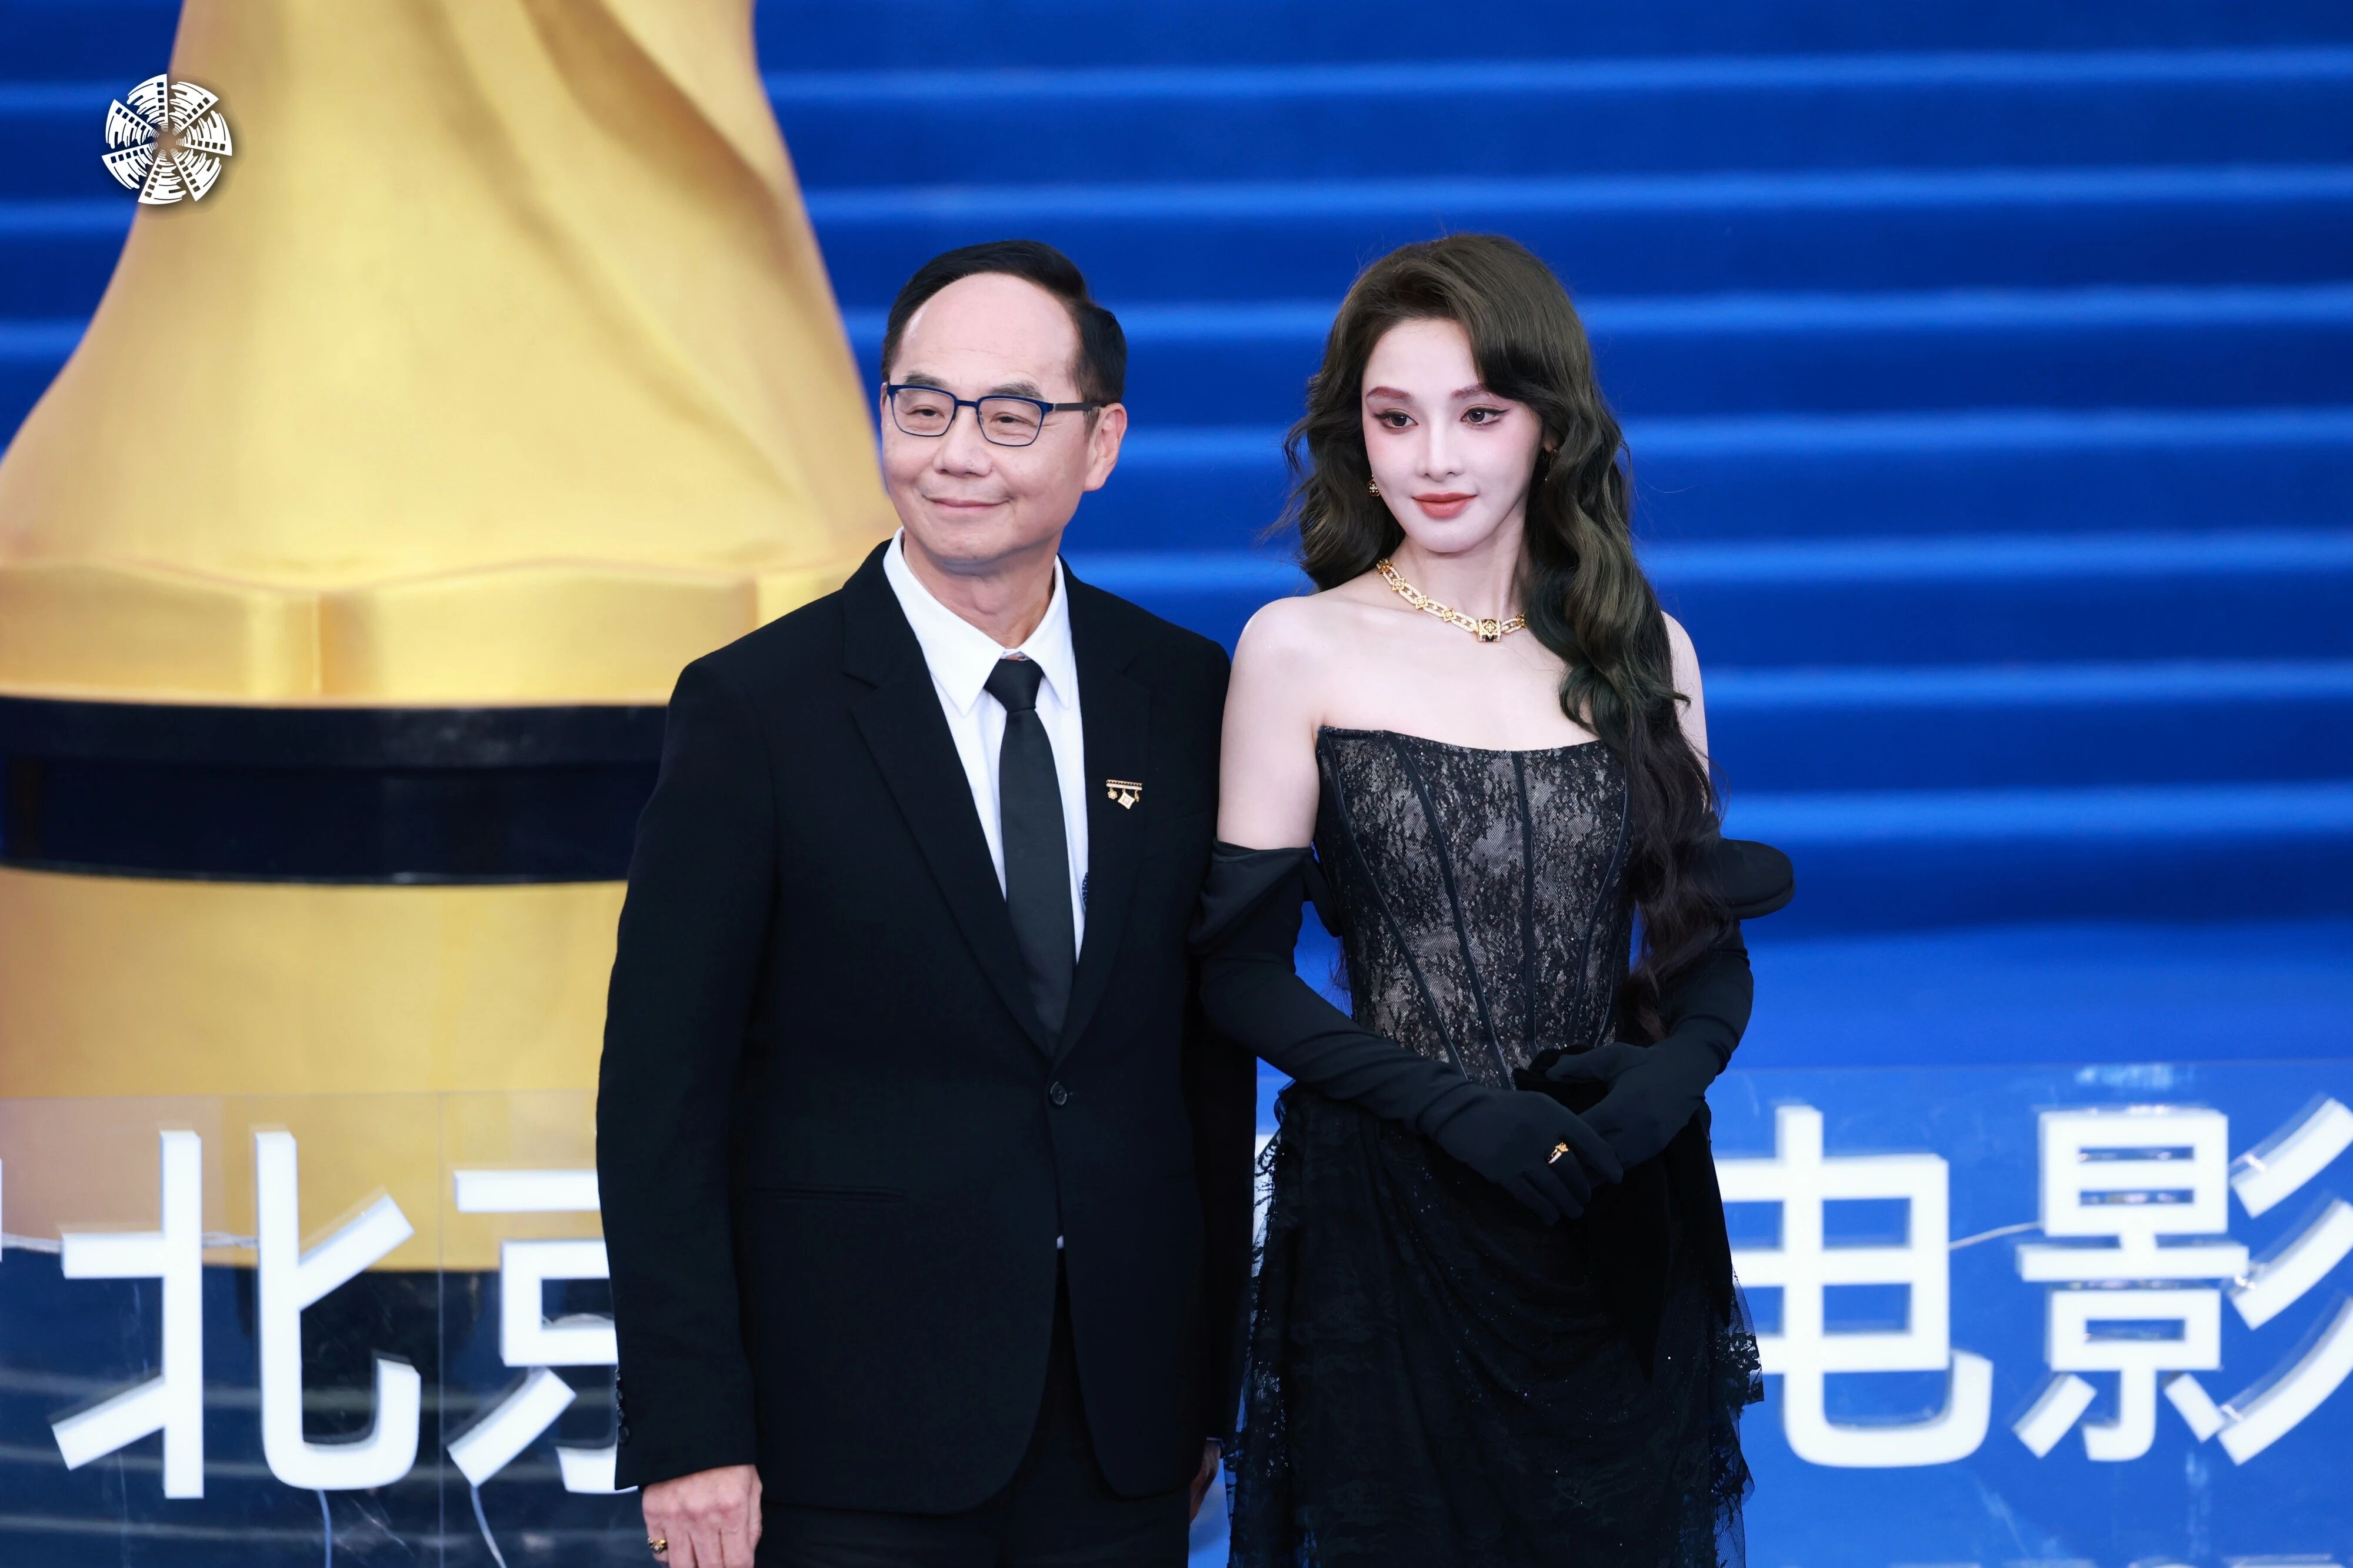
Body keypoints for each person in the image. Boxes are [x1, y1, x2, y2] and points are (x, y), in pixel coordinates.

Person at [596, 240, 1257, 1568]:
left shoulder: (1186, 694)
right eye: (923, 405)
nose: (957, 452)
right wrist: (689, 1427)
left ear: (1101, 442)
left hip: (1118, 1433)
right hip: (843, 1438)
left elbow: (1203, 1065)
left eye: (1011, 415)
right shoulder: (755, 710)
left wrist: (1206, 1391)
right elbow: (659, 1097)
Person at [1195, 233, 1791, 1567]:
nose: (1435, 459)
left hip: (1613, 1207)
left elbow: (1701, 943)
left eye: (1478, 414)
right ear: (1354, 438)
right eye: (1394, 418)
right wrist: (1454, 1109)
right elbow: (1238, 972)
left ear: (1549, 426)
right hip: (1388, 1218)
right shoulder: (1296, 648)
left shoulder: (1646, 651)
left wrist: (1661, 1089)